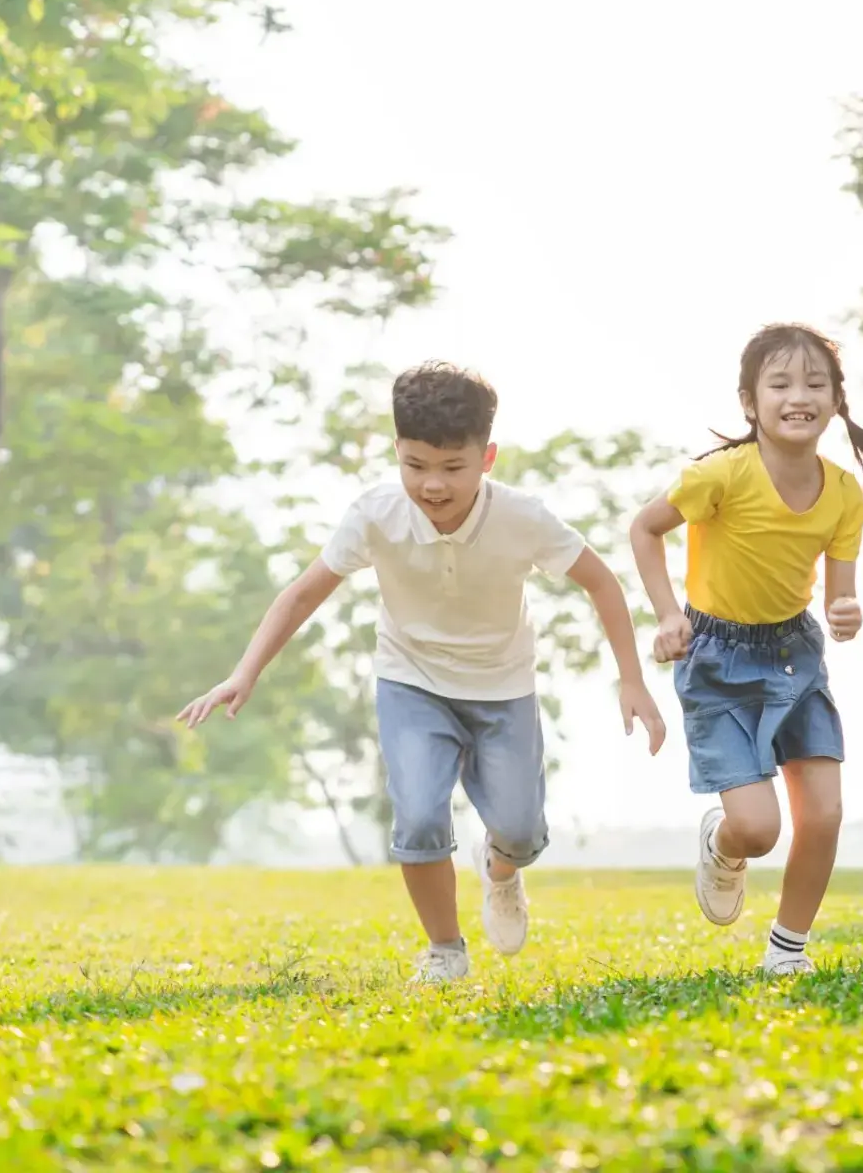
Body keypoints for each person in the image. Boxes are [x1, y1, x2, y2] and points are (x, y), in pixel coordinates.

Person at [177, 362, 665, 985]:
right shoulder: (376, 514)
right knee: (419, 816)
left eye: (451, 468)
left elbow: (599, 581)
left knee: (518, 830)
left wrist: (630, 679)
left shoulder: (523, 517)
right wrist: (244, 672)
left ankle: (503, 870)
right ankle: (445, 950)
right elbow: (302, 594)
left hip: (503, 685)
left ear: (487, 458)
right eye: (415, 466)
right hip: (412, 680)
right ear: (397, 453)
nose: (432, 485)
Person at [630, 323, 863, 976]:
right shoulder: (720, 474)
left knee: (825, 812)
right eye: (780, 384)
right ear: (750, 402)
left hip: (794, 654)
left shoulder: (842, 493)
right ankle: (723, 846)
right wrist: (668, 615)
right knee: (757, 829)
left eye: (814, 384)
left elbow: (839, 600)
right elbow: (644, 528)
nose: (798, 396)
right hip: (716, 659)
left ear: (836, 399)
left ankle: (788, 948)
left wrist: (847, 613)